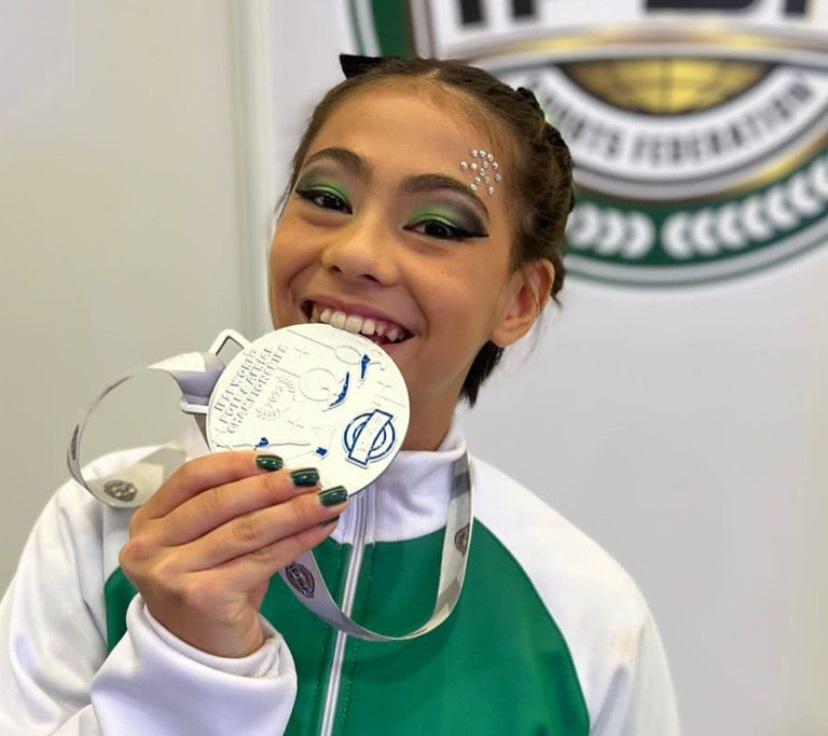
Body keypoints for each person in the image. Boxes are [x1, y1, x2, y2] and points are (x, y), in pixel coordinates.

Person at [0, 55, 680, 734]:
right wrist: (185, 670)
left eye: (437, 226)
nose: (355, 253)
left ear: (520, 299)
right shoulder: (105, 523)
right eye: (326, 198)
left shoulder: (588, 613)